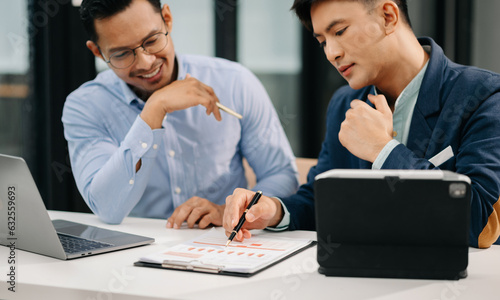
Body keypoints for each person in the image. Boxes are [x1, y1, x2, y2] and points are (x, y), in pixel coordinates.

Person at [223, 0, 500, 248]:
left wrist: (384, 150)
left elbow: (478, 223)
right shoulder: (345, 104)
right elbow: (322, 200)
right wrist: (274, 210)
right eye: (322, 41)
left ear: (388, 16)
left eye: (340, 31)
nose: (331, 53)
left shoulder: (484, 95)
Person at [62, 0, 298, 226]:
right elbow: (107, 208)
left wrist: (233, 212)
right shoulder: (85, 106)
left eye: (152, 40)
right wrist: (154, 110)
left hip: (223, 244)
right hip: (134, 256)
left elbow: (282, 176)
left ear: (167, 19)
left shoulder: (235, 82)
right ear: (97, 52)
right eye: (122, 53)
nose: (145, 62)